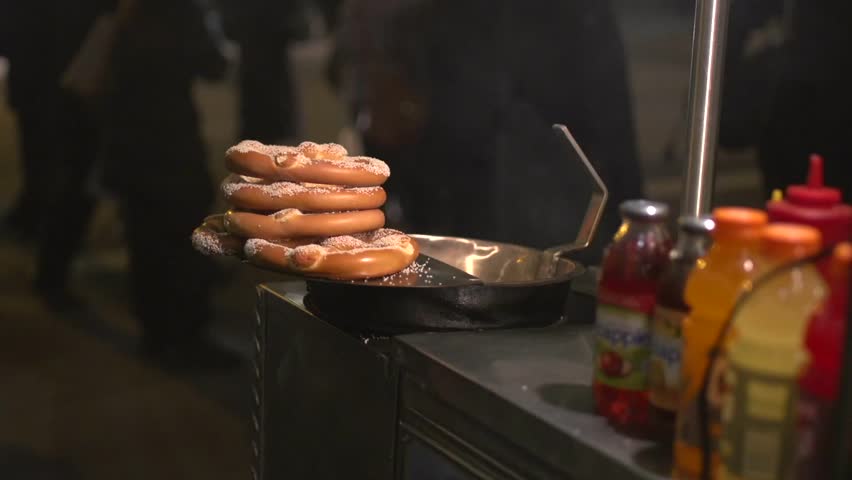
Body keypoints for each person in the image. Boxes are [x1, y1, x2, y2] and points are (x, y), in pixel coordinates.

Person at [335, 0, 642, 263]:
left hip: (557, 224)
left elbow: (611, 125)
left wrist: (634, 233)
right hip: (453, 215)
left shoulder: (573, 16)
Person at [98, 0, 231, 364]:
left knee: (144, 238)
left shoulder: (125, 11)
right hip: (169, 143)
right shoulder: (178, 9)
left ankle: (155, 333)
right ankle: (187, 335)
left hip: (129, 140)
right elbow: (213, 64)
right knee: (185, 237)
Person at [218, 0, 308, 143]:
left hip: (252, 78)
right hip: (276, 80)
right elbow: (301, 29)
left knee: (253, 148)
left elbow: (228, 28)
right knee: (283, 149)